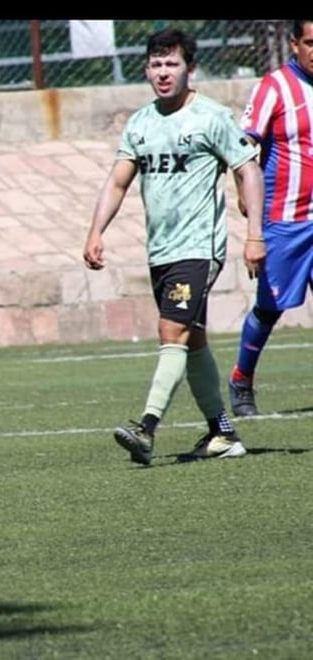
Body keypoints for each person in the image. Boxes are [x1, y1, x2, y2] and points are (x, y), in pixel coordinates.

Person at [82, 28, 267, 466]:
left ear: (190, 68)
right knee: (192, 338)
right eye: (156, 65)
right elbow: (118, 180)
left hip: (198, 248)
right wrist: (95, 232)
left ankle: (146, 427)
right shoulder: (141, 123)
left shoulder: (212, 117)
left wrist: (254, 234)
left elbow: (248, 169)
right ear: (146, 69)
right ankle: (222, 434)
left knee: (171, 331)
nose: (163, 73)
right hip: (161, 251)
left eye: (172, 64)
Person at [226, 19, 313, 417]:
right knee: (270, 306)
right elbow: (242, 148)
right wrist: (251, 217)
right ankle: (242, 378)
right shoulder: (274, 87)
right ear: (295, 44)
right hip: (285, 218)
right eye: (311, 43)